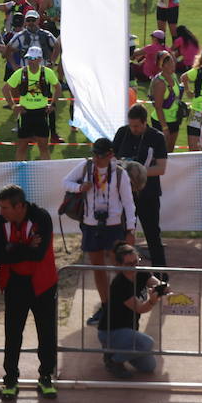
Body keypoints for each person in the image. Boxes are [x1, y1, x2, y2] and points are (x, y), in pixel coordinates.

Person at [0, 183, 58, 401]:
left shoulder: (42, 218)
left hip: (42, 283)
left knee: (46, 331)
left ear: (19, 206)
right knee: (13, 332)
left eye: (4, 207)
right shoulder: (1, 222)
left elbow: (39, 254)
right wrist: (27, 247)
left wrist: (14, 248)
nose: (1, 212)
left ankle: (46, 376)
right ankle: (10, 379)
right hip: (15, 283)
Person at [63, 138, 137, 328]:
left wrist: (131, 230)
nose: (96, 158)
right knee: (98, 267)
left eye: (100, 155)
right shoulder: (86, 166)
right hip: (91, 224)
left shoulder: (120, 174)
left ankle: (125, 304)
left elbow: (129, 204)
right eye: (94, 153)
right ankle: (106, 306)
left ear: (110, 155)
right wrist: (79, 188)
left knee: (121, 267)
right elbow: (66, 182)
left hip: (113, 226)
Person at [112, 103, 169, 277]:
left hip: (149, 196)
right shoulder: (122, 133)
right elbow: (112, 159)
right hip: (124, 196)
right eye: (131, 125)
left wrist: (136, 174)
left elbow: (161, 168)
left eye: (137, 126)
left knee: (153, 235)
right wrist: (123, 171)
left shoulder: (157, 137)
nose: (133, 129)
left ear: (145, 122)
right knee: (124, 235)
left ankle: (161, 276)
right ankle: (124, 274)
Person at [98, 242, 163, 378]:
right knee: (147, 343)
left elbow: (156, 283)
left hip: (129, 331)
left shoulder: (141, 273)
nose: (134, 267)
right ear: (120, 265)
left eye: (136, 262)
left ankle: (118, 352)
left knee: (148, 367)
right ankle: (113, 360)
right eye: (129, 264)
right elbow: (140, 308)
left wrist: (164, 288)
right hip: (111, 331)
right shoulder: (119, 284)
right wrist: (152, 300)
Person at [3, 45, 61, 161]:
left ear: (40, 59)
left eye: (34, 59)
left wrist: (53, 104)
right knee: (22, 147)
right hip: (25, 114)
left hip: (41, 114)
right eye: (29, 58)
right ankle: (19, 172)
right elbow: (5, 89)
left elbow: (58, 87)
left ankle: (46, 172)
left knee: (43, 147)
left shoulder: (47, 72)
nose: (31, 61)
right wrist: (13, 106)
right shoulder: (21, 72)